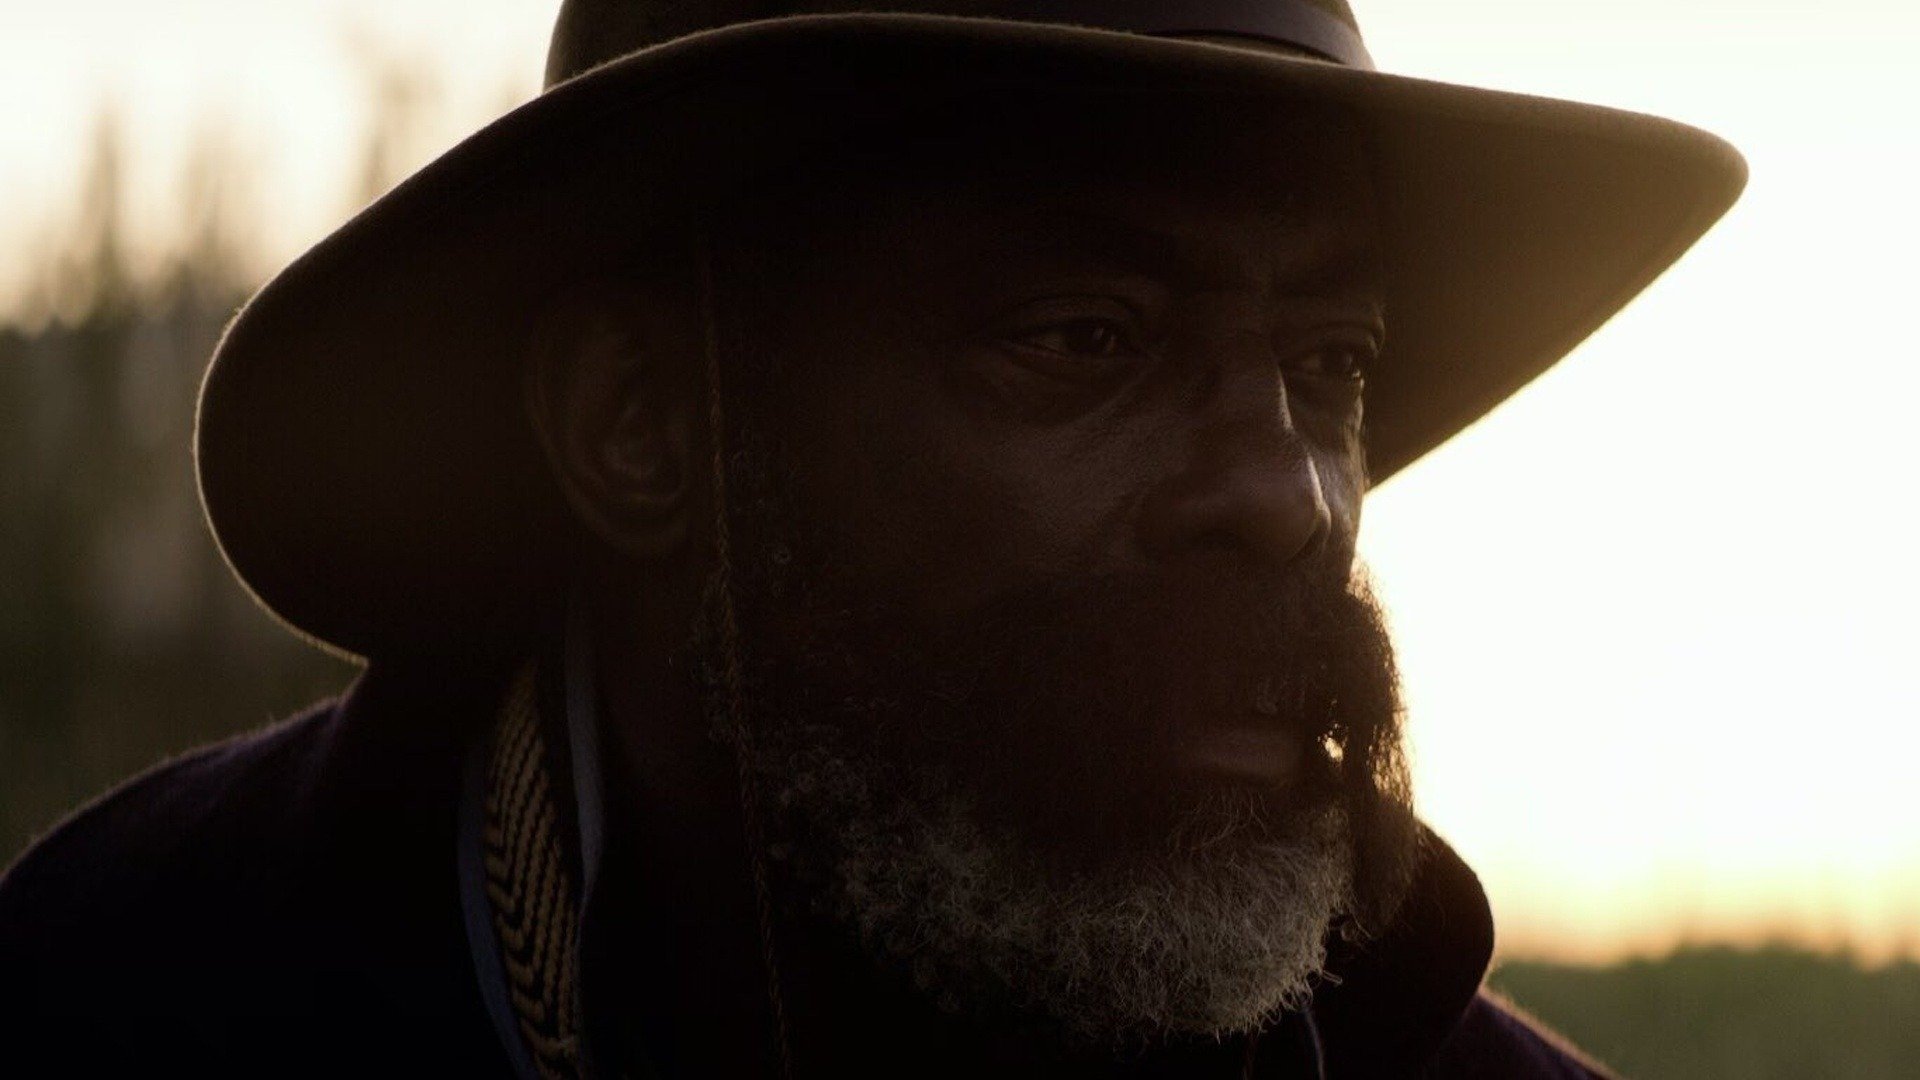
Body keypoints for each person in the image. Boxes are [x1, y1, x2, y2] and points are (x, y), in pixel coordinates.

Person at [0, 1, 1744, 1076]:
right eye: (1087, 338)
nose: (1287, 495)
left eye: (1330, 365)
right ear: (640, 424)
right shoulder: (124, 1000)